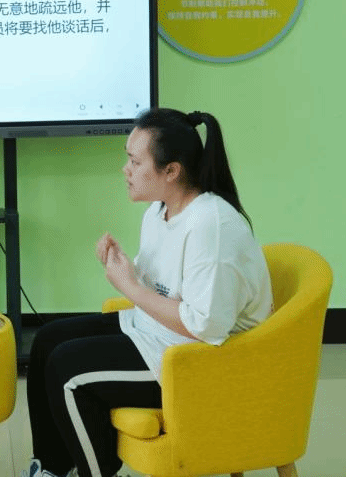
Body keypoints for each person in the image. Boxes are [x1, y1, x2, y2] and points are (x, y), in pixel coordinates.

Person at [21, 108, 273, 477]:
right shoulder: (160, 211)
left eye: (135, 161)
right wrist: (125, 267)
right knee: (47, 341)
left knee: (67, 369)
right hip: (158, 335)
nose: (125, 169)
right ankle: (51, 468)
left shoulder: (211, 225)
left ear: (171, 171)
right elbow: (159, 282)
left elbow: (206, 326)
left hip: (201, 361)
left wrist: (129, 287)